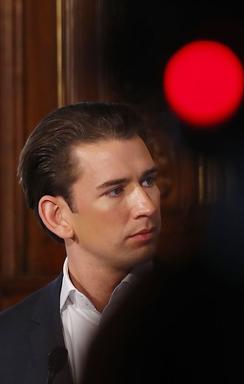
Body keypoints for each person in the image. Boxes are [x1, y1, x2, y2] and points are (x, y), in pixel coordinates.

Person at [0, 102, 161, 384]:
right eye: (115, 190)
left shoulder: (223, 315)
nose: (146, 206)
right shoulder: (6, 340)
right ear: (57, 216)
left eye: (148, 181)